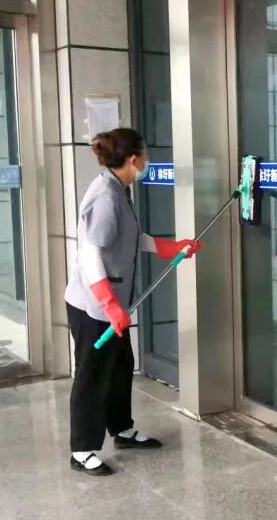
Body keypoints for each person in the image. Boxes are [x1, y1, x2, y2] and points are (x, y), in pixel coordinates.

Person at [63, 127, 199, 476]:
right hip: (92, 305)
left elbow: (130, 237)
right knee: (93, 374)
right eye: (145, 156)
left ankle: (122, 429)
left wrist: (173, 247)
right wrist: (110, 306)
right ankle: (82, 450)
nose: (147, 162)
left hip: (112, 303)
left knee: (121, 365)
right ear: (133, 159)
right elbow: (89, 255)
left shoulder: (119, 188)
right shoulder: (105, 196)